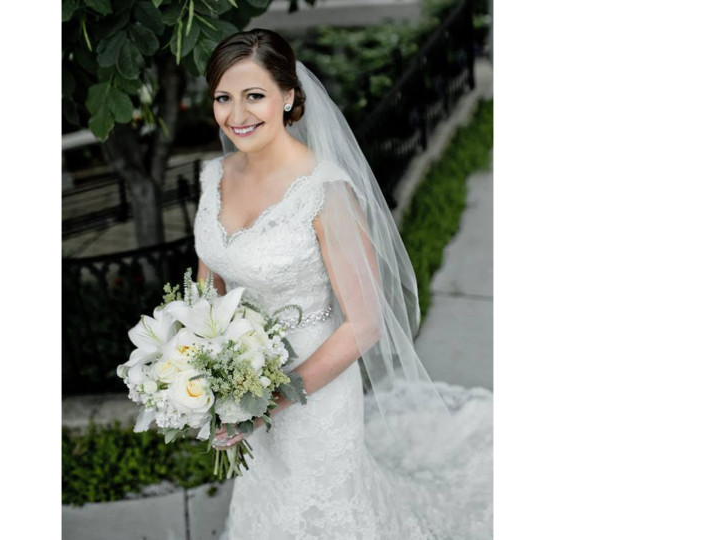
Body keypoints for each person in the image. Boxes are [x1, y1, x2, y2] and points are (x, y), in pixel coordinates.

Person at [194, 28, 493, 539]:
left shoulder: (324, 191)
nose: (236, 114)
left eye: (254, 96)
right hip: (241, 380)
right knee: (266, 500)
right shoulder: (213, 177)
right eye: (224, 98)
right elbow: (208, 280)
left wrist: (266, 403)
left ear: (288, 97)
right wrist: (199, 364)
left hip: (316, 391)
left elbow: (365, 324)